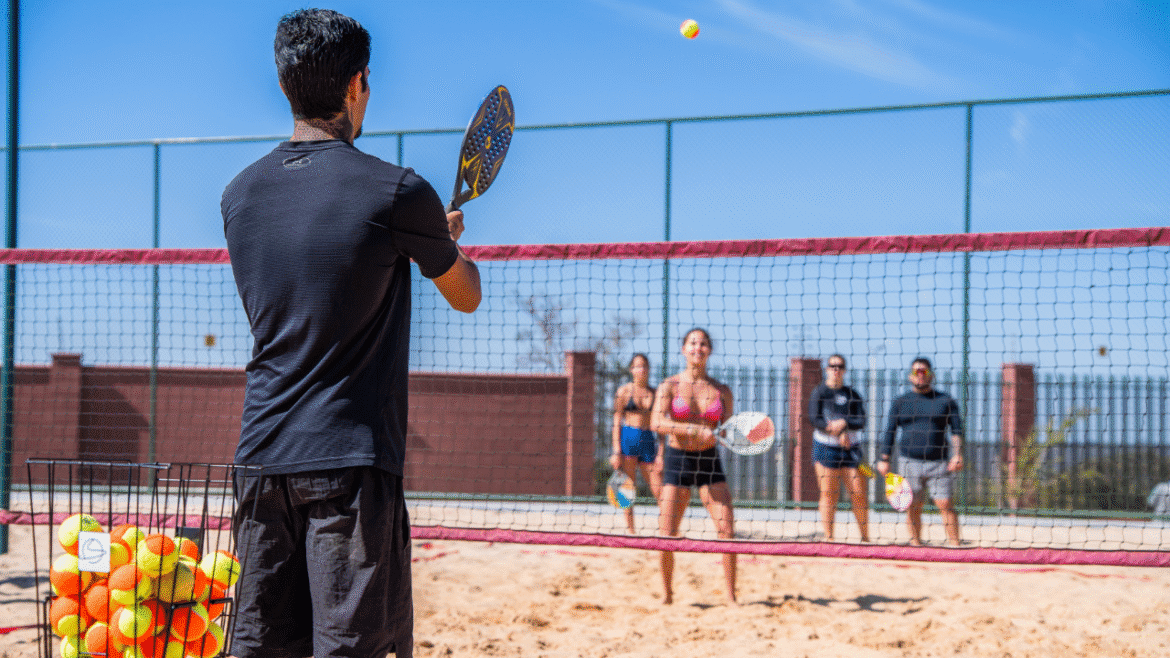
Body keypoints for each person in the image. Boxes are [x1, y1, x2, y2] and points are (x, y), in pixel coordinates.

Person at [221, 9, 482, 658]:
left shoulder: (238, 195)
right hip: (350, 462)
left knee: (259, 648)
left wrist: (421, 232)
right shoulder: (397, 192)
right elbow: (466, 295)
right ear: (358, 84)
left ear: (284, 85)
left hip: (260, 459)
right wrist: (440, 239)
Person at [650, 328, 737, 605]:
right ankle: (667, 594)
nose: (698, 348)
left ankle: (731, 596)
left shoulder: (721, 391)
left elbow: (728, 429)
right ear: (684, 349)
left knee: (727, 531)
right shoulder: (670, 386)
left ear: (709, 350)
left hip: (709, 461)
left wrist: (723, 435)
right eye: (693, 343)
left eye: (703, 344)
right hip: (678, 460)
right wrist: (689, 429)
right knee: (666, 533)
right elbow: (657, 422)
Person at [877, 357, 964, 547]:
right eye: (917, 371)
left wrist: (957, 455)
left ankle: (955, 544)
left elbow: (957, 431)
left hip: (939, 462)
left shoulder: (945, 401)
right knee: (913, 505)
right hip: (909, 461)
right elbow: (890, 431)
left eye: (924, 371)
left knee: (945, 504)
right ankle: (915, 543)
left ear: (931, 375)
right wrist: (884, 458)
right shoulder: (901, 402)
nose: (920, 375)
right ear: (910, 376)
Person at [808, 354, 869, 542]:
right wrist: (831, 429)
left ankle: (865, 538)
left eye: (840, 366)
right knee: (828, 494)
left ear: (844, 370)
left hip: (851, 450)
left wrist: (843, 424)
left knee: (858, 493)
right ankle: (829, 537)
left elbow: (861, 421)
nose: (836, 369)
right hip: (826, 448)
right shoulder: (819, 392)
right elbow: (814, 419)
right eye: (832, 366)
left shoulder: (852, 394)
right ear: (827, 369)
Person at [610, 353, 663, 533]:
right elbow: (617, 420)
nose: (642, 369)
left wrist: (662, 452)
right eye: (638, 366)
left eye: (645, 366)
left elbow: (661, 425)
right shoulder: (623, 392)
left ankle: (668, 528)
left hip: (648, 440)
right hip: (628, 439)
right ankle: (631, 529)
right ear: (632, 369)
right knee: (627, 487)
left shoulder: (655, 393)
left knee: (659, 488)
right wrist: (616, 450)